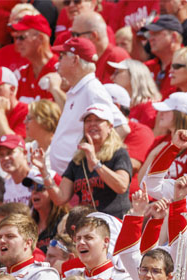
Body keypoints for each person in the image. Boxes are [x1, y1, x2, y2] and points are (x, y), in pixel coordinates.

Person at [46, 37, 129, 176]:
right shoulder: (79, 89)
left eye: (62, 56)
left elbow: (121, 127)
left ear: (75, 60)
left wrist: (92, 165)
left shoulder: (92, 89)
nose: (57, 62)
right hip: (66, 178)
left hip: (78, 179)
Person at [37, 104, 132, 219]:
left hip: (115, 222)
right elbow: (60, 198)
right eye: (88, 120)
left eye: (98, 120)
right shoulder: (78, 161)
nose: (92, 123)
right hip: (88, 225)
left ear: (109, 127)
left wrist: (95, 163)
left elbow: (121, 186)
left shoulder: (119, 153)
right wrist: (43, 170)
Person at [11, 14, 58, 104]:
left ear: (40, 38)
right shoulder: (21, 73)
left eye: (22, 37)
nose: (17, 43)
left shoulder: (61, 71)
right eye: (16, 38)